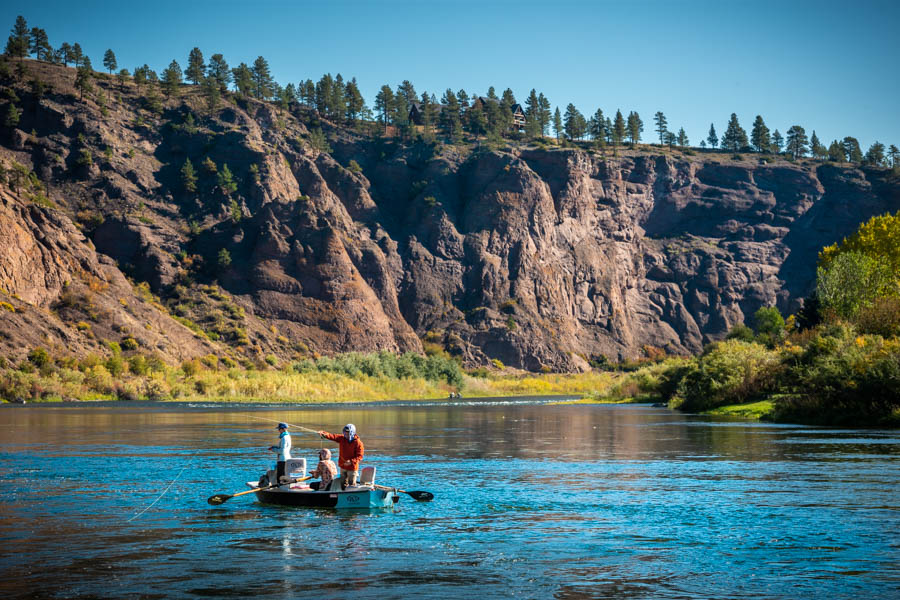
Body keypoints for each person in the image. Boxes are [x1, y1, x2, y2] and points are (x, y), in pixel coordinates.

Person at [318, 424, 364, 489]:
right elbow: (333, 436)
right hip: (343, 466)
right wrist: (324, 434)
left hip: (352, 468)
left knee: (352, 486)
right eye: (345, 432)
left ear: (352, 432)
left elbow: (360, 456)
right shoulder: (342, 438)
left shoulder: (358, 443)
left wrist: (351, 461)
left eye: (347, 432)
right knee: (343, 484)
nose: (345, 434)